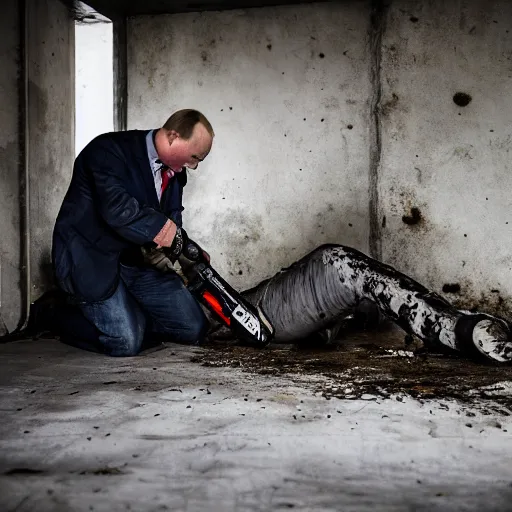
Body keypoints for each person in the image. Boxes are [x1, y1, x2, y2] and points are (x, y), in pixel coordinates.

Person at [51, 109, 214, 356]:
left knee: (193, 328)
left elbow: (171, 219)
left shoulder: (175, 173)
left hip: (135, 262)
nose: (194, 166)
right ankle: (55, 314)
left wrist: (181, 252)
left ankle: (129, 314)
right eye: (194, 157)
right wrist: (172, 236)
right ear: (172, 136)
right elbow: (118, 210)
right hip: (89, 258)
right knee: (125, 342)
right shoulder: (106, 150)